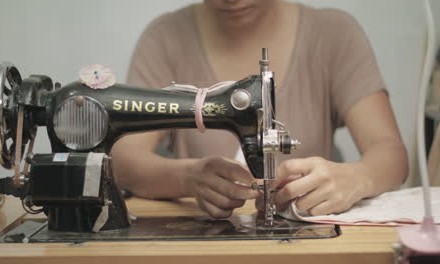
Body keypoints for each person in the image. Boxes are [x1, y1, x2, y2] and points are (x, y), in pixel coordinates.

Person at [111, 0, 408, 219]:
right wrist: (188, 178)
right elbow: (123, 159)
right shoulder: (165, 37)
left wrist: (355, 178)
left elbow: (390, 152)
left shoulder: (334, 33)